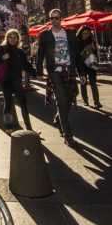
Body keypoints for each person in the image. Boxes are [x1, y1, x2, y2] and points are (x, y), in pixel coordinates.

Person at [37, 10, 79, 146]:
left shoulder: (70, 33)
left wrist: (82, 73)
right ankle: (68, 135)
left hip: (69, 71)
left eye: (56, 18)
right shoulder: (45, 35)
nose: (54, 20)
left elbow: (76, 54)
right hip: (54, 72)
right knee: (61, 102)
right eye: (51, 18)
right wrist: (39, 72)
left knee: (68, 100)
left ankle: (58, 119)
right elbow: (40, 55)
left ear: (61, 18)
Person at [0, 29, 38, 130]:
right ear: (7, 38)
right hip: (6, 81)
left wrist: (36, 74)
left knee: (23, 103)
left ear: (18, 38)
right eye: (10, 37)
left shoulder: (20, 51)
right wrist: (2, 58)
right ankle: (9, 128)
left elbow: (26, 65)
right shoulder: (2, 48)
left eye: (14, 37)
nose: (12, 39)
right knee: (8, 103)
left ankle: (29, 128)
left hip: (17, 81)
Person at [73, 25, 102, 109]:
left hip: (91, 65)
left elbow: (96, 55)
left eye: (88, 33)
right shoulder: (77, 42)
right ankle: (85, 100)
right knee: (83, 83)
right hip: (81, 66)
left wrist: (95, 48)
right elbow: (77, 55)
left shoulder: (92, 41)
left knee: (93, 84)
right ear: (80, 33)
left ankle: (97, 102)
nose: (86, 35)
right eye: (84, 33)